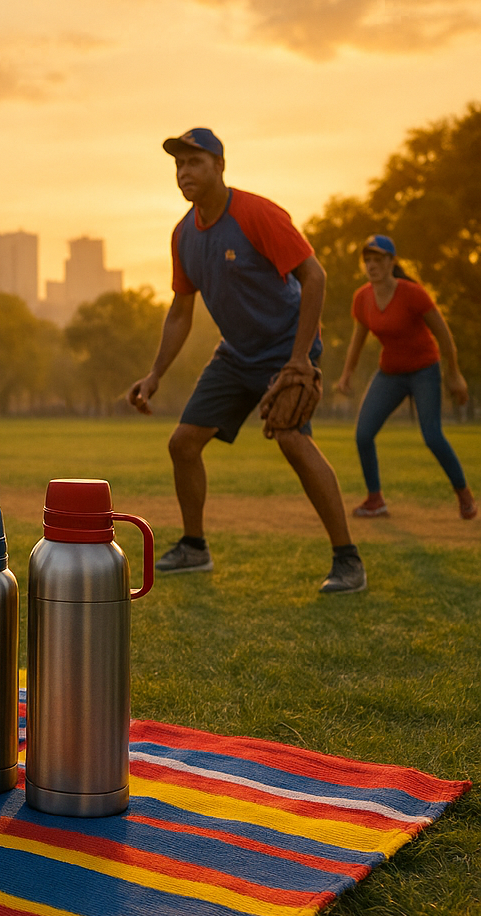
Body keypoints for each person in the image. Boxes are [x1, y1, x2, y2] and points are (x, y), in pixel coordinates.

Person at [126, 128, 365, 594]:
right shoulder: (183, 235)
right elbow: (180, 312)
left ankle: (348, 559)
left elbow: (313, 276)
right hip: (236, 354)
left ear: (219, 166)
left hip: (286, 348)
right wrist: (155, 374)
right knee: (183, 444)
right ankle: (194, 547)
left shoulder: (257, 213)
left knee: (293, 442)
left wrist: (300, 359)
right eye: (178, 165)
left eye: (194, 162)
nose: (184, 172)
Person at [333, 234, 474, 520]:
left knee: (432, 436)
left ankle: (465, 495)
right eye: (367, 261)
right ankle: (375, 500)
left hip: (424, 370)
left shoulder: (412, 293)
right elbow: (358, 340)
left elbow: (443, 335)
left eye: (377, 260)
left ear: (391, 262)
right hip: (390, 373)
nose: (371, 266)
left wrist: (454, 373)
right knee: (363, 434)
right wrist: (347, 374)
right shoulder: (363, 298)